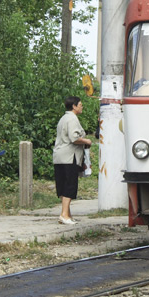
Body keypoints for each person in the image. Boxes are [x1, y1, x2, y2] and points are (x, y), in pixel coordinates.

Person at [53, 96, 92, 225]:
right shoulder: (72, 119)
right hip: (70, 156)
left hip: (59, 156)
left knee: (63, 184)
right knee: (70, 185)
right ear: (74, 106)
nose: (82, 106)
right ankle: (64, 214)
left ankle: (67, 214)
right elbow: (74, 138)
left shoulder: (63, 118)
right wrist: (87, 141)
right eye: (80, 104)